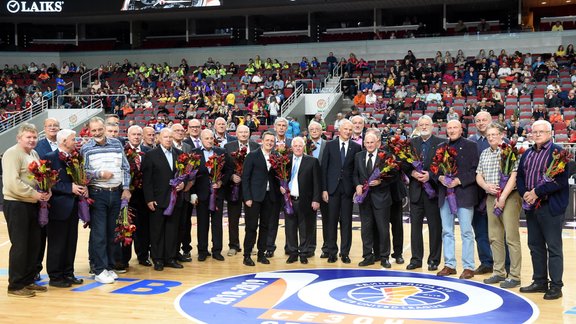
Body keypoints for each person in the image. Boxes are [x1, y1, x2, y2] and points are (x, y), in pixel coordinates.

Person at [517, 120, 568, 300]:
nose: (537, 134)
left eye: (541, 132)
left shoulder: (558, 153)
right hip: (531, 206)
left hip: (550, 207)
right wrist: (525, 194)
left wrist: (537, 192)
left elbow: (560, 182)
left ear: (549, 133)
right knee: (535, 246)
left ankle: (556, 286)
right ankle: (539, 281)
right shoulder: (528, 154)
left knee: (553, 247)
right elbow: (520, 177)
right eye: (534, 132)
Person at [3, 123, 51, 297]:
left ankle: (28, 280)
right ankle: (15, 285)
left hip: (33, 204)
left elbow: (41, 177)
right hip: (17, 204)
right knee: (21, 245)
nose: (32, 140)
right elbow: (12, 182)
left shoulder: (34, 153)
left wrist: (47, 190)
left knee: (34, 244)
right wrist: (34, 194)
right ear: (19, 138)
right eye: (28, 137)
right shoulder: (12, 154)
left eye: (34, 137)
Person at [81, 117, 131, 284]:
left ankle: (109, 267)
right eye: (93, 130)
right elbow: (83, 173)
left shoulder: (117, 144)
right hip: (97, 194)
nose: (97, 133)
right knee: (99, 234)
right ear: (89, 131)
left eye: (99, 129)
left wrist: (125, 187)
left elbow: (125, 167)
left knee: (112, 233)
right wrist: (99, 174)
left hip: (116, 193)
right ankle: (99, 269)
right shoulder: (86, 148)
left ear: (104, 127)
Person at [476, 123, 522, 289]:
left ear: (502, 135)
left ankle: (515, 276)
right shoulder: (484, 153)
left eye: (494, 134)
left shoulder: (510, 151)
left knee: (511, 237)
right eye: (489, 135)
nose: (491, 137)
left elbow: (514, 176)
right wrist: (486, 186)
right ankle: (499, 272)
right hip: (490, 197)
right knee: (494, 236)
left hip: (509, 197)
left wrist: (502, 197)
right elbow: (478, 175)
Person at [435, 120, 479, 280]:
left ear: (461, 129)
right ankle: (449, 265)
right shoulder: (441, 146)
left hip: (464, 194)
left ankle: (468, 267)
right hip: (445, 195)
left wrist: (458, 181)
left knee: (466, 232)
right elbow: (434, 169)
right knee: (447, 231)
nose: (452, 130)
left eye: (455, 127)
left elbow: (475, 171)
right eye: (449, 128)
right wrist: (439, 177)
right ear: (446, 130)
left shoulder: (471, 146)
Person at [44, 129, 85, 288]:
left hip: (73, 207)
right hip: (57, 207)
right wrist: (70, 188)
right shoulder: (49, 157)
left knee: (70, 242)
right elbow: (48, 183)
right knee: (57, 244)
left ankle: (68, 273)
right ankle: (55, 277)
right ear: (63, 141)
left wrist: (82, 186)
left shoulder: (75, 157)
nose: (76, 142)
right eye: (73, 139)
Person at [404, 116, 445, 271]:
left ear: (432, 126)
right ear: (417, 126)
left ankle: (434, 260)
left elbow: (444, 166)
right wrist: (412, 173)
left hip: (433, 192)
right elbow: (403, 164)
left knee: (435, 228)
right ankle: (416, 260)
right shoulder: (411, 143)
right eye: (421, 124)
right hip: (415, 192)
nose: (424, 126)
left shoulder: (441, 143)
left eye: (427, 124)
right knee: (415, 228)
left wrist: (431, 175)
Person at [142, 128, 185, 271]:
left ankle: (170, 258)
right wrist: (149, 199)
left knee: (172, 231)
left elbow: (184, 175)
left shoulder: (179, 154)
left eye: (170, 137)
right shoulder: (151, 155)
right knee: (157, 231)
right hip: (158, 200)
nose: (168, 139)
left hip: (175, 199)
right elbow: (146, 180)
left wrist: (183, 184)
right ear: (159, 138)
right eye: (165, 137)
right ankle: (158, 259)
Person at [321, 119, 362, 263]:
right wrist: (324, 189)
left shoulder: (356, 147)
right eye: (346, 129)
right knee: (331, 222)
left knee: (346, 223)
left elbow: (357, 170)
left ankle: (345, 252)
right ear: (339, 130)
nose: (348, 132)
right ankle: (332, 252)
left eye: (350, 130)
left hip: (347, 191)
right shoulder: (329, 145)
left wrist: (357, 187)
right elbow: (324, 168)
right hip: (331, 190)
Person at [354, 130, 397, 268]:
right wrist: (357, 185)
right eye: (367, 142)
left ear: (377, 142)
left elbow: (394, 175)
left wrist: (381, 182)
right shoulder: (358, 156)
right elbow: (355, 174)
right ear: (364, 143)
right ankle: (368, 256)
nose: (369, 144)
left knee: (383, 229)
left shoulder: (386, 156)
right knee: (366, 229)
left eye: (372, 142)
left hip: (382, 198)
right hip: (365, 200)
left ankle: (384, 257)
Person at [191, 129, 232, 261]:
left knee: (217, 223)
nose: (209, 141)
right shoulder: (194, 153)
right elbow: (190, 175)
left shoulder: (221, 152)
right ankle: (202, 251)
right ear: (201, 139)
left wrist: (221, 182)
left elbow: (229, 169)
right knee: (202, 223)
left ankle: (217, 250)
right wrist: (192, 193)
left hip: (217, 194)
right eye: (206, 138)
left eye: (211, 138)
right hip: (201, 194)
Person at [241, 131, 281, 266]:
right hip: (254, 197)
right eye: (267, 140)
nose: (270, 143)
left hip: (270, 197)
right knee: (251, 227)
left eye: (272, 141)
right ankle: (247, 255)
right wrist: (247, 197)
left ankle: (261, 254)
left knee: (265, 226)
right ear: (262, 141)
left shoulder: (276, 156)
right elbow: (245, 178)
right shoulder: (252, 156)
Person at [283, 136, 321, 264]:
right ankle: (293, 252)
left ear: (304, 147)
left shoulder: (312, 161)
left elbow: (317, 182)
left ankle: (304, 252)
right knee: (290, 227)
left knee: (305, 228)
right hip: (289, 200)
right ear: (291, 147)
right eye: (295, 146)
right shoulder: (285, 161)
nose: (298, 148)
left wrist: (316, 199)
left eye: (300, 146)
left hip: (305, 200)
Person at [31, 117, 60, 281]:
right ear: (44, 128)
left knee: (56, 236)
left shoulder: (63, 143)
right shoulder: (38, 146)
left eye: (55, 125)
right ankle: (36, 268)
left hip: (60, 197)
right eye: (50, 125)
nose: (53, 128)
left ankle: (56, 270)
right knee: (40, 236)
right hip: (43, 197)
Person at [224, 125, 260, 256]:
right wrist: (232, 176)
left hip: (251, 188)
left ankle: (250, 245)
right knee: (233, 218)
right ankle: (234, 245)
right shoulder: (228, 147)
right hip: (234, 187)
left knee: (252, 218)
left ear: (249, 134)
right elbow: (225, 167)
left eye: (246, 132)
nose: (244, 134)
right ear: (236, 134)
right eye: (241, 132)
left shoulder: (256, 146)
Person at [120, 125, 152, 269]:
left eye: (139, 134)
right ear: (128, 135)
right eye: (134, 134)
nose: (137, 137)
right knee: (126, 227)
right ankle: (124, 259)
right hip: (127, 196)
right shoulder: (122, 151)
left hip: (143, 196)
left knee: (143, 228)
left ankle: (143, 256)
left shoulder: (148, 152)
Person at [468, 111, 495, 275]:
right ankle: (486, 262)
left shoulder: (501, 140)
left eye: (484, 119)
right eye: (478, 120)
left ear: (490, 120)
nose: (481, 123)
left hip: (495, 193)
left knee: (500, 232)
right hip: (476, 193)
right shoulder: (470, 142)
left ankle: (505, 264)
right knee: (480, 231)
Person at [306, 121, 327, 257]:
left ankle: (327, 248)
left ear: (321, 131)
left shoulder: (328, 145)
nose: (314, 131)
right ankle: (309, 247)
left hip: (325, 186)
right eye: (311, 129)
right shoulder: (303, 144)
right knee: (309, 219)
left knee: (327, 219)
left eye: (316, 129)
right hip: (308, 187)